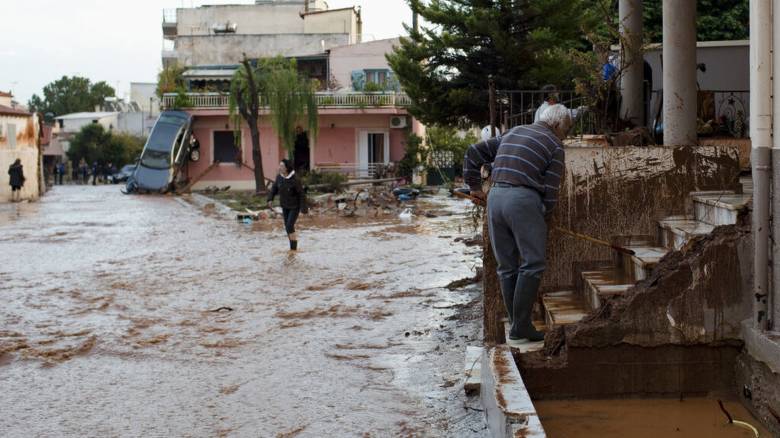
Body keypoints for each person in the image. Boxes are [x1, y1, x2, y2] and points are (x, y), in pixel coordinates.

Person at [463, 104, 573, 344]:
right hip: (522, 201)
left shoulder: (513, 132)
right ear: (557, 125)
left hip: (495, 199)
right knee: (533, 263)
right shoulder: (555, 145)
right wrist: (541, 214)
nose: (565, 135)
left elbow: (473, 152)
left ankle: (516, 325)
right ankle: (521, 326)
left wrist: (474, 188)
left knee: (506, 266)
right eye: (566, 130)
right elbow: (551, 193)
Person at [267, 159, 306, 251]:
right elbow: (274, 189)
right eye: (279, 166)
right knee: (287, 227)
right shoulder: (279, 177)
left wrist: (303, 208)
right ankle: (292, 249)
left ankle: (294, 249)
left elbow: (301, 194)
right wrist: (270, 199)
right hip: (284, 206)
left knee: (289, 225)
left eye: (282, 166)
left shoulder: (295, 179)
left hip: (294, 206)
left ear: (287, 168)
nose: (279, 168)